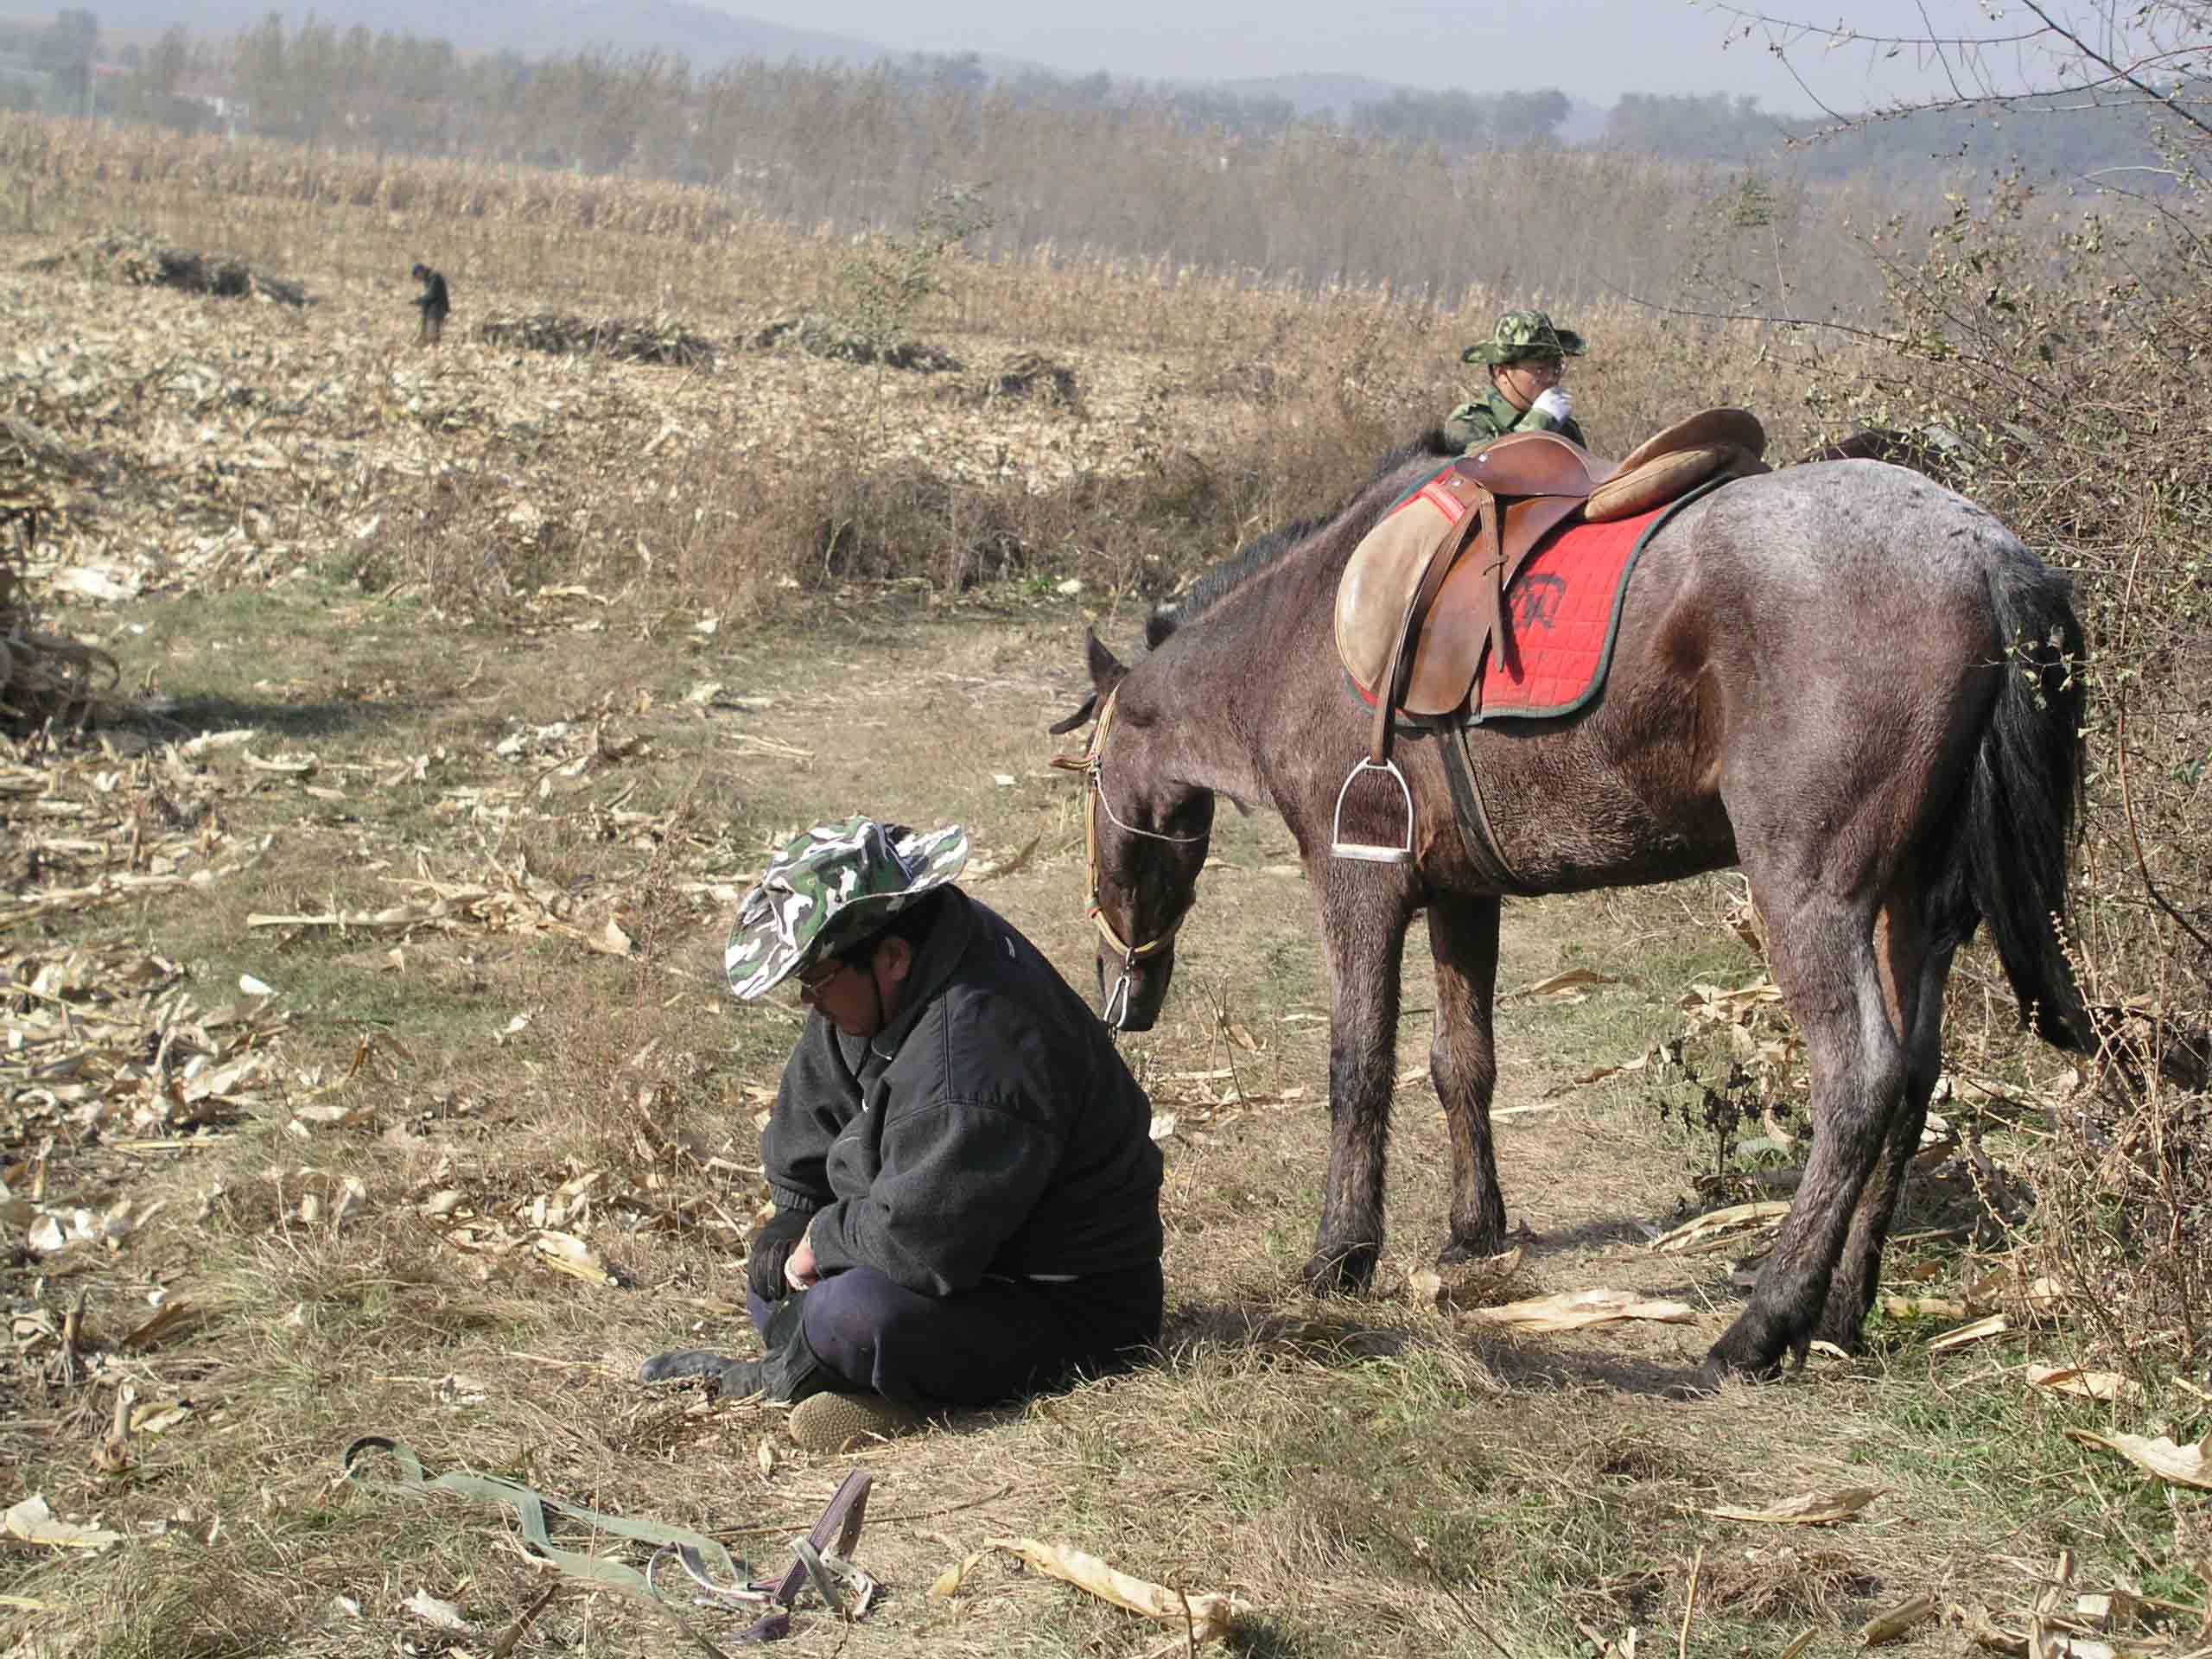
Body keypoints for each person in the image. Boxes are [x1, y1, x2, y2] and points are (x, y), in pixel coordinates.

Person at [641, 817, 1166, 1452]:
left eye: (816, 981)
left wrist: (821, 1247)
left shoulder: (975, 1056)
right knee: (775, 1281)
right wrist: (792, 1225)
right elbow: (812, 1120)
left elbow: (922, 1243)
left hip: (1068, 1303)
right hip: (958, 1251)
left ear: (890, 958)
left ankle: (859, 1385)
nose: (810, 1000)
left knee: (847, 1316)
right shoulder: (898, 966)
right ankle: (872, 1380)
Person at [1443, 308, 1588, 452]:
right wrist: (1539, 423)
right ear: (1501, 372)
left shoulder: (1563, 426)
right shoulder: (1468, 423)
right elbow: (1497, 467)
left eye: (1557, 366)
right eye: (1540, 369)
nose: (1552, 377)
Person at [410, 263, 450, 346]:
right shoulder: (427, 278)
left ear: (420, 271)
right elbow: (428, 297)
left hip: (438, 307)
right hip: (432, 308)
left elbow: (432, 295)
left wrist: (419, 301)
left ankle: (435, 348)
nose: (418, 279)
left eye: (417, 275)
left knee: (432, 331)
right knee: (426, 331)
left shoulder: (434, 277)